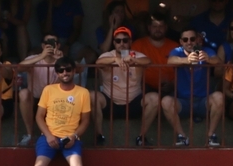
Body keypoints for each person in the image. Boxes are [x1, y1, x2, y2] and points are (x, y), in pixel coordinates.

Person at [34, 57, 91, 166]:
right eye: (60, 70)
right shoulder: (49, 90)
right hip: (48, 137)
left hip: (71, 139)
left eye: (68, 69)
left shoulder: (83, 93)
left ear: (74, 71)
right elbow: (39, 117)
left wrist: (74, 136)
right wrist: (48, 135)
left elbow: (86, 121)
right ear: (57, 73)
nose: (64, 73)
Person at [92, 26, 160, 146]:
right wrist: (115, 59)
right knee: (91, 96)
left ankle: (141, 137)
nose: (121, 44)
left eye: (125, 40)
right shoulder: (107, 55)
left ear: (130, 42)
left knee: (155, 98)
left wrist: (135, 61)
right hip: (110, 103)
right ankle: (99, 136)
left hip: (133, 103)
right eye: (118, 41)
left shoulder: (136, 55)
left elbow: (148, 61)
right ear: (114, 43)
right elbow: (98, 62)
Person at [163, 29, 223, 147]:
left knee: (219, 97)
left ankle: (211, 136)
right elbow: (170, 60)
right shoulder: (177, 51)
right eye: (185, 39)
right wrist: (187, 60)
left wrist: (209, 59)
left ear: (197, 40)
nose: (189, 42)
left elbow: (218, 61)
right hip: (183, 102)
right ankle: (182, 136)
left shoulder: (205, 51)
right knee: (165, 101)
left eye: (192, 39)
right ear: (181, 41)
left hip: (203, 101)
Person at [133, 12, 178, 144]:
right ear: (148, 28)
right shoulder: (138, 44)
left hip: (170, 88)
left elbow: (182, 72)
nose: (158, 29)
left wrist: (173, 84)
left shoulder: (175, 46)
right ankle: (141, 137)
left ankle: (181, 137)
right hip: (144, 87)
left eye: (161, 26)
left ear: (166, 28)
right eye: (154, 26)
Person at [16, 35, 67, 146]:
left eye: (53, 42)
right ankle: (29, 135)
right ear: (43, 45)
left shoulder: (62, 59)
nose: (50, 45)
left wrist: (62, 61)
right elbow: (19, 68)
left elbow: (79, 69)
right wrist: (41, 56)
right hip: (34, 99)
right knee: (23, 93)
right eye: (47, 42)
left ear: (58, 45)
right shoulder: (34, 58)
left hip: (54, 101)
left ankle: (55, 135)